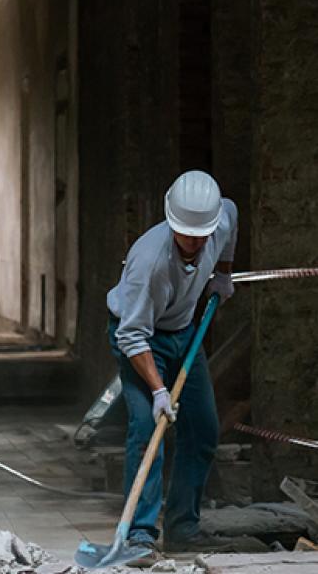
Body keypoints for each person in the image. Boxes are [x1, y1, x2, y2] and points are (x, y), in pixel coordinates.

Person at [107, 170, 259, 563]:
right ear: (171, 220)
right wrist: (158, 390)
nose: (194, 241)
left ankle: (182, 529)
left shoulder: (217, 219)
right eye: (186, 233)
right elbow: (132, 336)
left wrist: (222, 273)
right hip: (142, 338)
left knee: (204, 428)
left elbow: (232, 211)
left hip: (184, 332)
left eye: (201, 234)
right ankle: (138, 537)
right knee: (147, 430)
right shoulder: (149, 260)